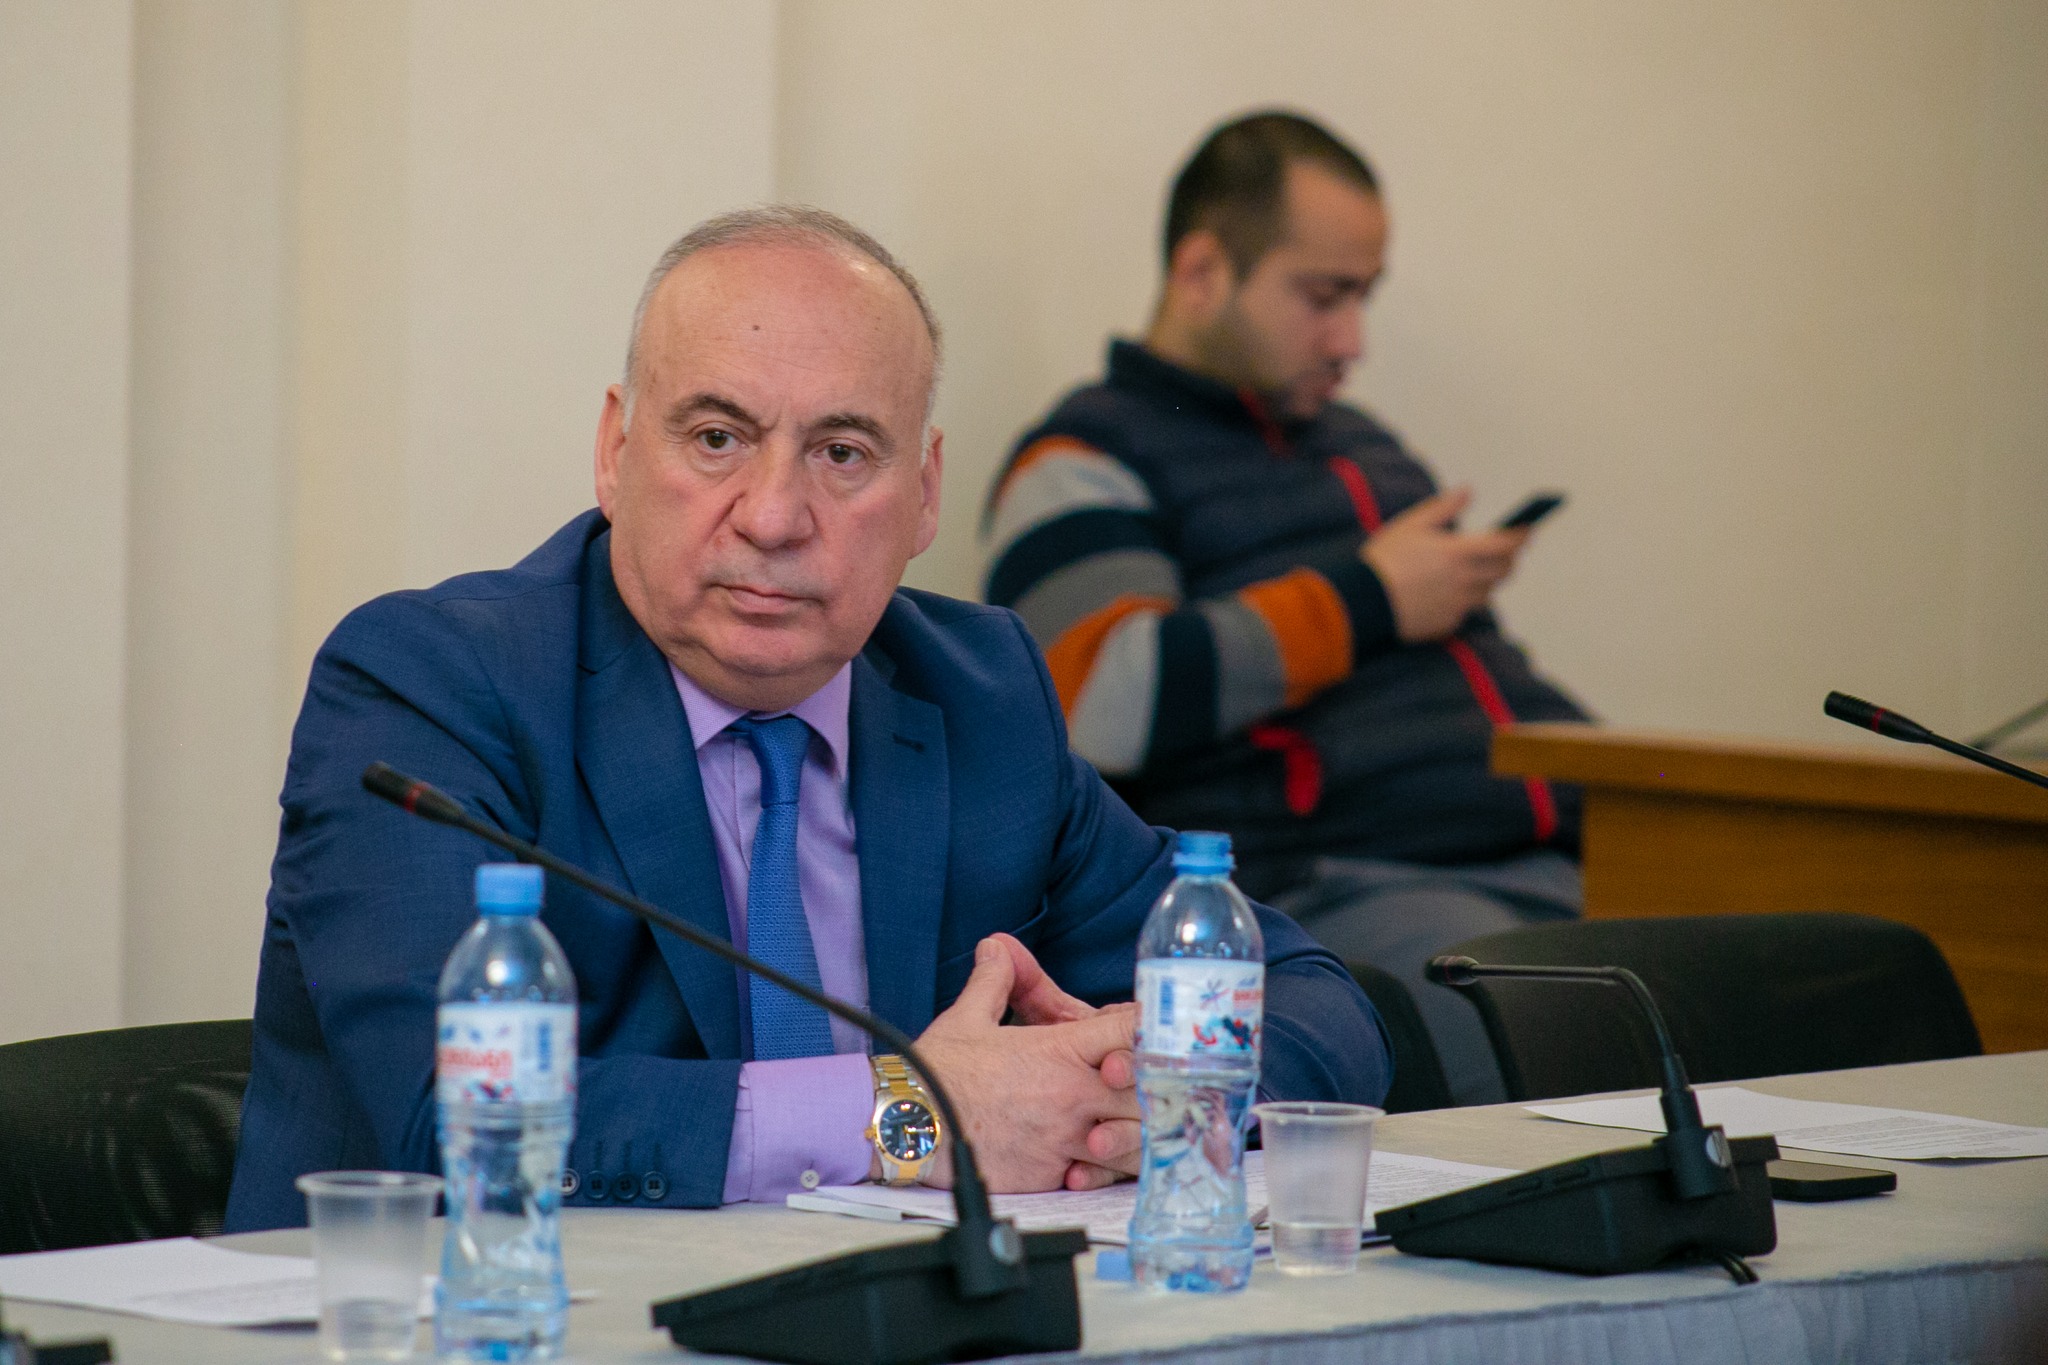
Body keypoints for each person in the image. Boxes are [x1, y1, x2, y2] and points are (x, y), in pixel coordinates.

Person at [224, 206, 1388, 1232]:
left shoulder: (979, 696)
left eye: (841, 453)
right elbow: (452, 1116)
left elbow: (1309, 1001)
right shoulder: (432, 685)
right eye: (716, 439)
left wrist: (1144, 1105)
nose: (774, 516)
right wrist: (913, 1110)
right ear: (614, 452)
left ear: (922, 494)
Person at [983, 112, 1590, 1106]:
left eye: (1364, 296)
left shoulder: (1362, 447)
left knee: (1785, 954)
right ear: (1200, 271)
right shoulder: (1084, 455)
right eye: (1322, 296)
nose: (1351, 341)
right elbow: (1098, 699)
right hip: (1331, 885)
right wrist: (1369, 598)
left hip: (1547, 854)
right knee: (1560, 1008)